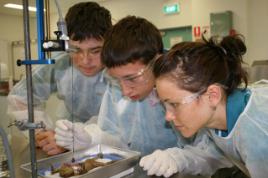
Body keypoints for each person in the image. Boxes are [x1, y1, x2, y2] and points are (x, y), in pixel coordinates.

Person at [55, 16, 189, 155]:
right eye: (117, 80)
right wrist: (92, 138)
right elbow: (113, 134)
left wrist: (179, 159)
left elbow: (205, 150)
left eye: (131, 78)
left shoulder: (184, 86)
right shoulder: (117, 85)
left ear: (156, 61)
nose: (125, 91)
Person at [139, 35, 268, 177]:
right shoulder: (218, 116)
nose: (168, 116)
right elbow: (214, 153)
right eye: (165, 105)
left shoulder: (258, 131)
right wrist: (178, 158)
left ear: (212, 95)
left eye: (174, 104)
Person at [7, 2, 112, 155]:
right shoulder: (60, 63)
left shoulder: (121, 69)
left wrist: (72, 139)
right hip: (67, 145)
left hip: (110, 145)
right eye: (75, 49)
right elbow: (20, 98)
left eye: (95, 51)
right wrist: (42, 134)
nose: (84, 60)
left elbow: (115, 121)